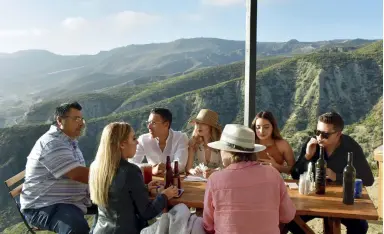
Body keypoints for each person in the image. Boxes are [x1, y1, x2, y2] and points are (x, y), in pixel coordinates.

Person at [289, 112, 374, 234]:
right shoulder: (312, 144)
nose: (319, 137)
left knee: (360, 227)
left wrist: (337, 177)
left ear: (338, 134)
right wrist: (307, 156)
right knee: (291, 221)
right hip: (314, 198)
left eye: (325, 135)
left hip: (340, 200)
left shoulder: (350, 147)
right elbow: (295, 174)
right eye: (317, 132)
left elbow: (368, 179)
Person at [203, 124, 296, 234]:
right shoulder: (273, 174)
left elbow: (208, 225)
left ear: (228, 151)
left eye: (222, 149)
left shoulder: (215, 179)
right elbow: (287, 215)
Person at [20, 101, 97, 234]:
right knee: (76, 228)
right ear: (60, 120)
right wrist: (115, 175)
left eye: (81, 119)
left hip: (74, 199)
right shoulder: (52, 143)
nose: (81, 123)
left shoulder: (69, 141)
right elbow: (79, 174)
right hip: (45, 205)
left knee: (117, 201)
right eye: (76, 119)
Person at [90, 122, 178, 234]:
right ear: (122, 144)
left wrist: (144, 188)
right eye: (133, 138)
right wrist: (165, 195)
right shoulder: (130, 171)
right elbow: (147, 213)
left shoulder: (95, 167)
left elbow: (117, 195)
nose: (137, 142)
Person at [130, 108, 189, 175]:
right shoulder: (143, 139)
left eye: (153, 123)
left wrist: (163, 168)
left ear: (166, 124)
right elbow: (132, 163)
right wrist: (151, 169)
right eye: (148, 123)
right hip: (152, 182)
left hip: (175, 180)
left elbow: (180, 165)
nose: (149, 126)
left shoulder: (180, 137)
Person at [185, 109, 222, 178]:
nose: (199, 126)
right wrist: (193, 170)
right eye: (198, 123)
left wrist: (214, 171)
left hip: (218, 179)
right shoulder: (193, 143)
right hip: (199, 180)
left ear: (211, 127)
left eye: (203, 124)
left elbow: (226, 168)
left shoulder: (221, 144)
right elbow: (188, 168)